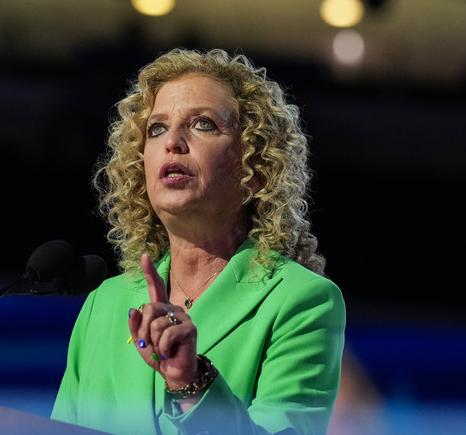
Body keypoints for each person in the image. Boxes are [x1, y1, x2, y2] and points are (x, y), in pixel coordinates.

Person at [51, 48, 345, 435]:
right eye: (157, 129)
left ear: (256, 168)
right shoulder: (104, 305)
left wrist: (193, 384)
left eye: (203, 124)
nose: (172, 141)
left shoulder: (301, 301)